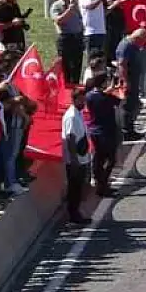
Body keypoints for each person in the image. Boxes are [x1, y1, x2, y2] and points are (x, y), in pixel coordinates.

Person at [83, 70, 122, 197]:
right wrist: (113, 89)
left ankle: (100, 182)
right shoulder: (106, 97)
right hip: (106, 131)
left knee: (98, 159)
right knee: (111, 160)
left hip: (94, 131)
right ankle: (103, 184)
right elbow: (120, 100)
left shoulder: (89, 96)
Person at [62, 90, 92, 226]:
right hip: (75, 160)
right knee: (75, 188)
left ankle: (76, 212)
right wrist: (74, 160)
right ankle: (73, 215)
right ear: (74, 100)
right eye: (81, 100)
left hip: (82, 157)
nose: (83, 103)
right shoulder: (71, 116)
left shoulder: (78, 113)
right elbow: (70, 138)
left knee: (79, 187)